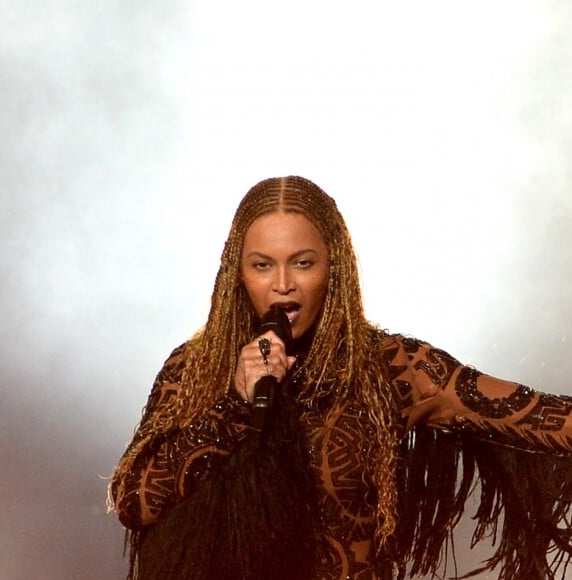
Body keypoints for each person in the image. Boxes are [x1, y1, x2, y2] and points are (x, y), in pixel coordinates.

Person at [109, 176, 572, 580]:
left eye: (303, 263)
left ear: (334, 270)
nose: (283, 283)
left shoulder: (390, 369)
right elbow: (133, 501)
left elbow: (538, 418)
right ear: (238, 273)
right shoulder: (195, 368)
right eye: (263, 264)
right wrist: (233, 404)